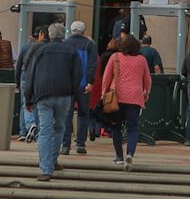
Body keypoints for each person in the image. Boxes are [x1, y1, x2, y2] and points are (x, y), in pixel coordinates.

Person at [22, 18, 85, 182]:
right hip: (64, 94)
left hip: (43, 94)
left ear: (49, 35)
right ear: (63, 35)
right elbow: (78, 75)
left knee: (45, 130)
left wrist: (28, 98)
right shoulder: (71, 51)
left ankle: (46, 168)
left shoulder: (40, 51)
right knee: (59, 128)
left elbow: (31, 75)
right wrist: (73, 92)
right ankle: (53, 160)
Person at [101, 34, 149, 168]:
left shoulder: (115, 57)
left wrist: (104, 93)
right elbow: (147, 79)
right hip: (135, 97)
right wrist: (146, 93)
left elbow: (106, 76)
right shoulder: (142, 60)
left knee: (116, 127)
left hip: (117, 96)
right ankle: (130, 154)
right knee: (133, 128)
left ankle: (119, 156)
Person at [63, 22, 95, 156]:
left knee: (67, 115)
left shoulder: (65, 43)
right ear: (83, 31)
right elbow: (92, 65)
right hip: (83, 85)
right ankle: (81, 143)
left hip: (68, 85)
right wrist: (90, 82)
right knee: (83, 115)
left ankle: (65, 145)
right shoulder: (90, 45)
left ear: (71, 30)